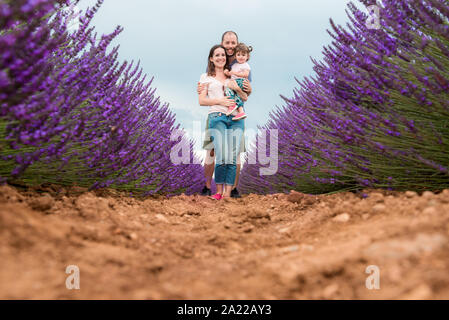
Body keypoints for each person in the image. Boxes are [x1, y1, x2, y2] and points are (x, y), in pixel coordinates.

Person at [199, 31, 252, 197]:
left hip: (235, 115)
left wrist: (246, 89)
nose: (229, 47)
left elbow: (245, 93)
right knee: (212, 152)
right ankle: (209, 187)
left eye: (232, 43)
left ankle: (232, 189)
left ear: (237, 45)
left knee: (234, 156)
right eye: (226, 43)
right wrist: (217, 99)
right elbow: (203, 95)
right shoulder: (211, 71)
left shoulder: (240, 66)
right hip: (216, 115)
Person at [224, 42, 253, 121]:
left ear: (247, 56)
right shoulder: (234, 65)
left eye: (243, 55)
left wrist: (235, 73)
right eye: (238, 55)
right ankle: (241, 111)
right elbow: (231, 74)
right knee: (236, 95)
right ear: (235, 56)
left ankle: (232, 105)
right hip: (235, 81)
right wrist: (227, 73)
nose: (241, 57)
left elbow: (246, 74)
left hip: (240, 81)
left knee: (228, 89)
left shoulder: (245, 65)